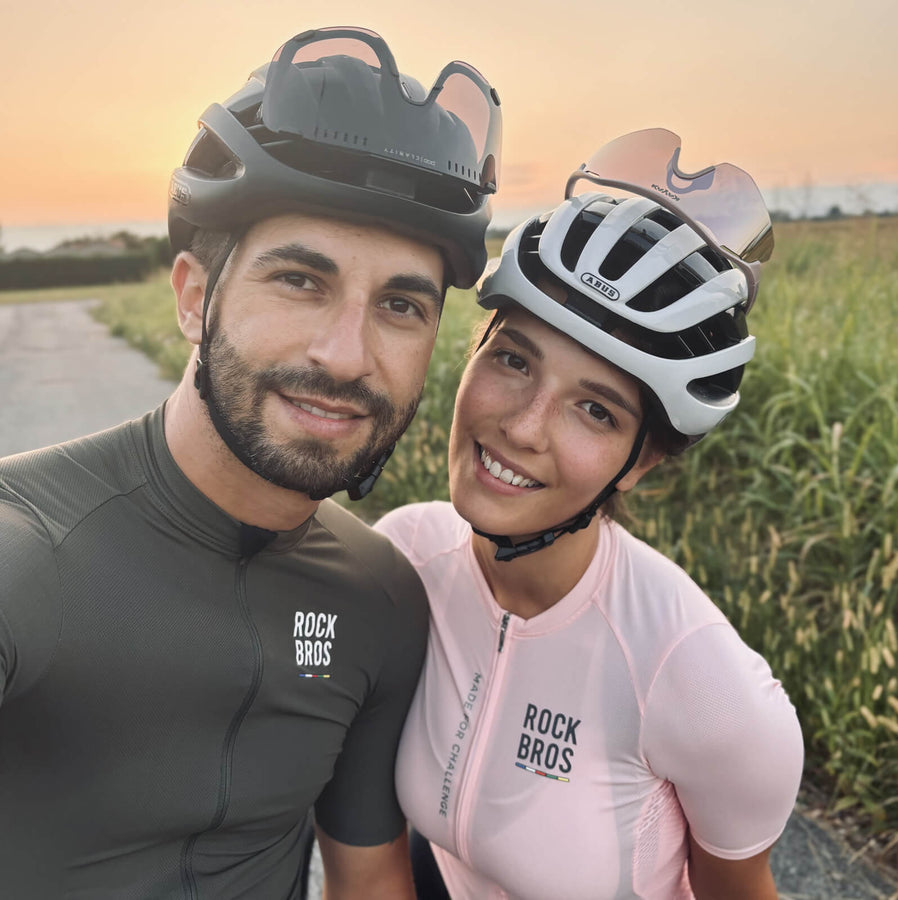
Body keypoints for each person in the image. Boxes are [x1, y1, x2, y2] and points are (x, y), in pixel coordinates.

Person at [0, 26, 501, 899]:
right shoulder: (23, 553)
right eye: (300, 281)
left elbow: (370, 880)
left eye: (400, 305)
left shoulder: (379, 596)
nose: (347, 356)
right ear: (196, 297)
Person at [375, 129, 804, 900]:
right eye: (513, 359)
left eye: (596, 411)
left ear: (640, 462)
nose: (524, 427)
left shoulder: (705, 688)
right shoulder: (405, 558)